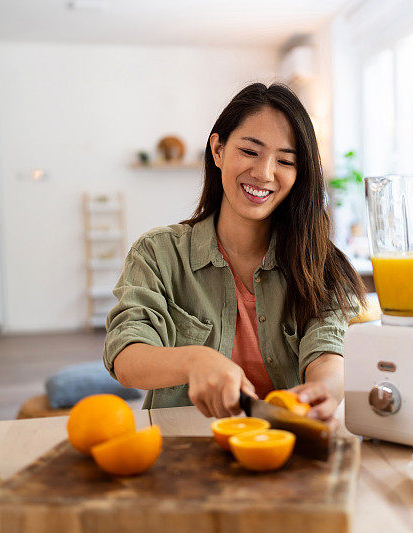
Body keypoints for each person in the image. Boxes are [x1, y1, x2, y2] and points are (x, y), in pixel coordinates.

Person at [103, 82, 365, 424]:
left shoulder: (319, 262)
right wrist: (195, 360)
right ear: (218, 150)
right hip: (184, 452)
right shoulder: (158, 253)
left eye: (285, 160)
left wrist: (327, 388)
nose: (264, 173)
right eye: (250, 151)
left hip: (285, 447)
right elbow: (126, 356)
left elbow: (328, 350)